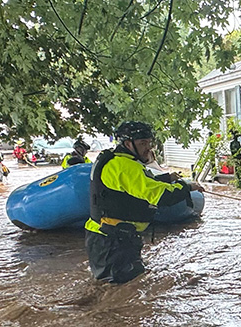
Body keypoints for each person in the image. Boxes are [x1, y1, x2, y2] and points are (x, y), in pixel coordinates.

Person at [84, 121, 203, 284]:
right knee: (120, 293)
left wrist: (166, 178)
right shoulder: (125, 166)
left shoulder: (116, 161)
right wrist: (187, 187)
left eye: (149, 142)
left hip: (108, 238)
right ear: (128, 144)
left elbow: (137, 185)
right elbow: (161, 196)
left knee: (118, 289)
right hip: (113, 242)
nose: (148, 148)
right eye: (142, 143)